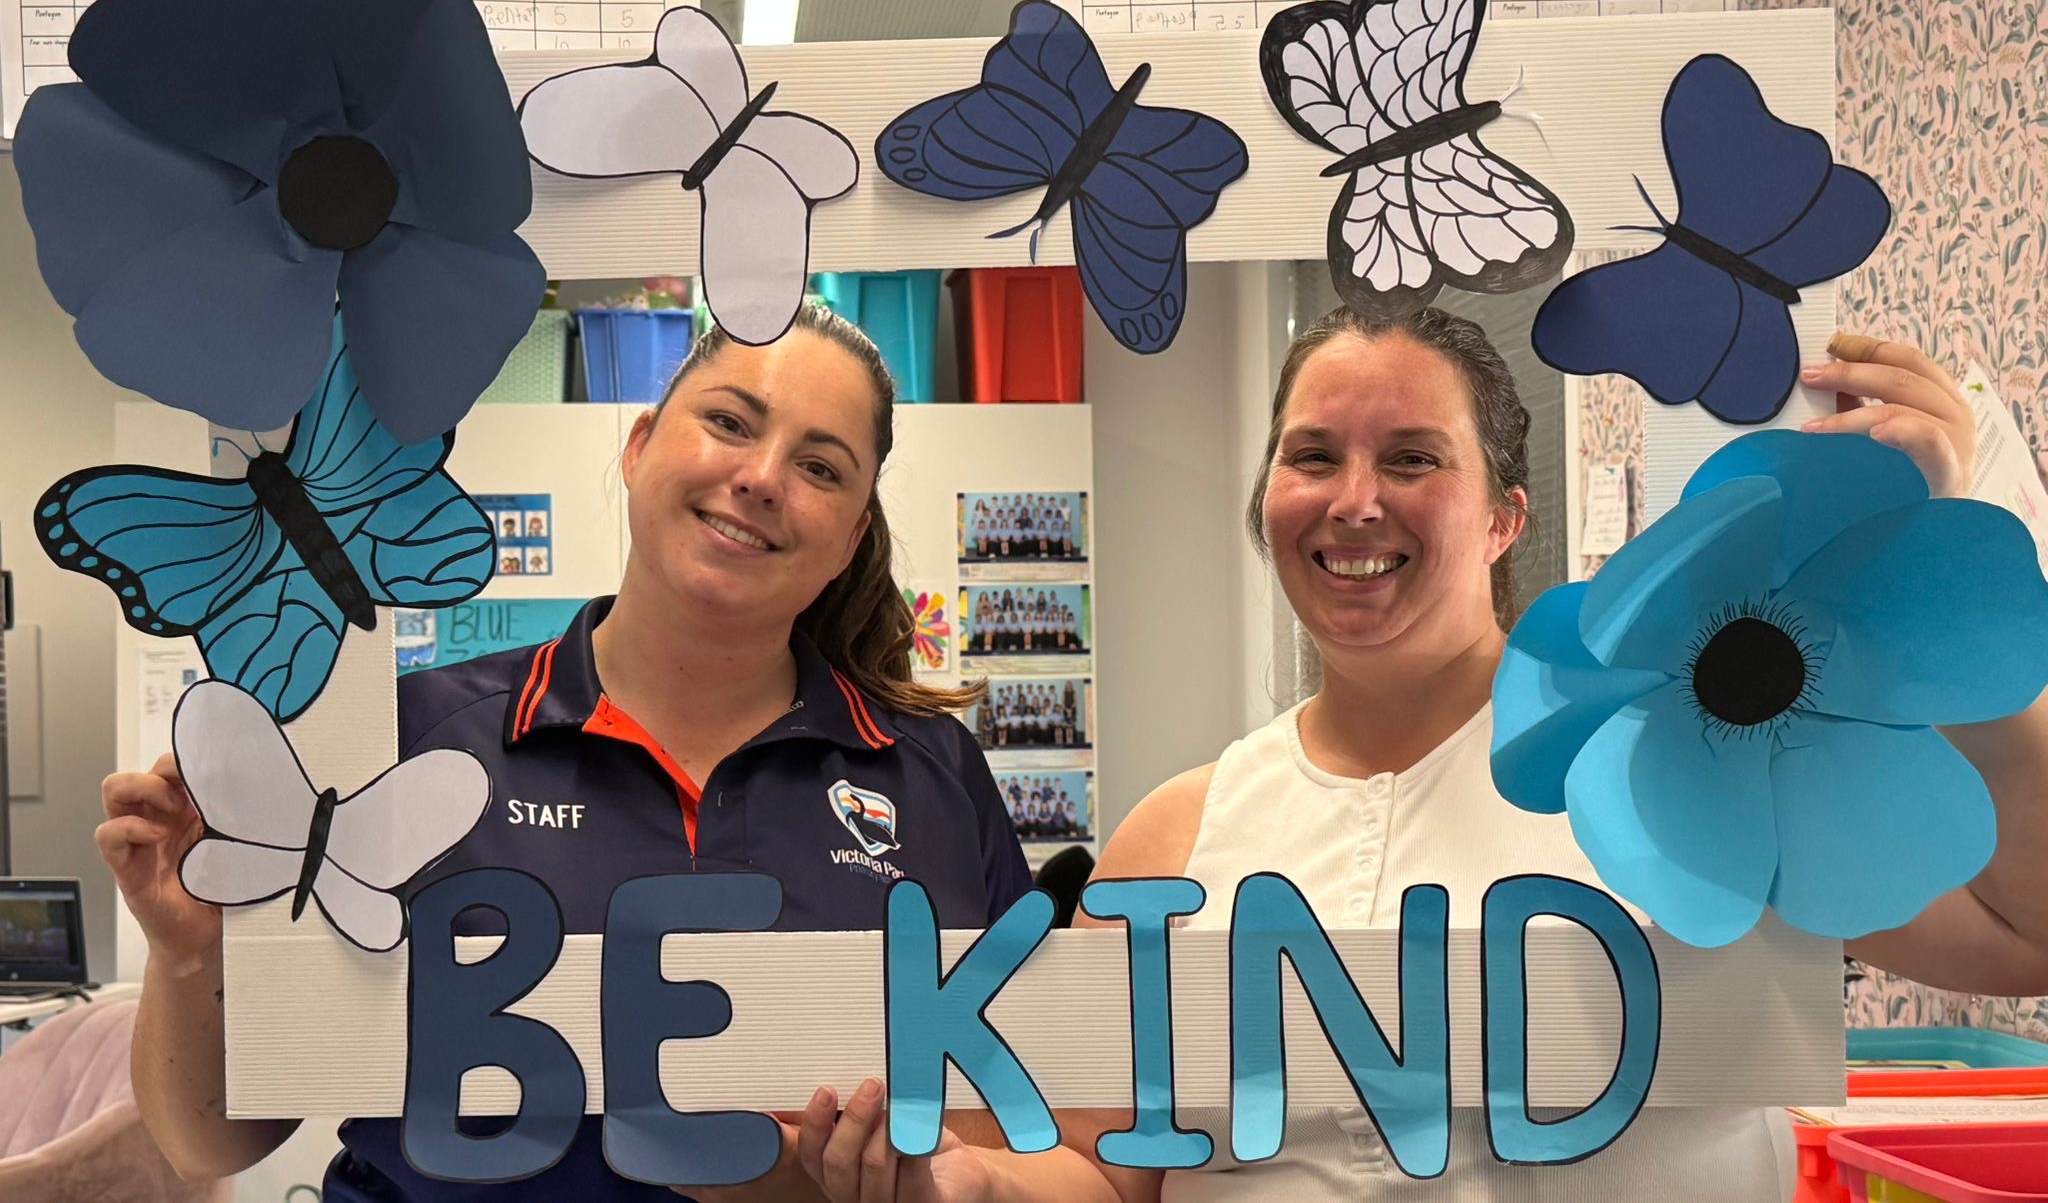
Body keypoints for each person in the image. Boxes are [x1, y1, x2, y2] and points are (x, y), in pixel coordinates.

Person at [96, 306, 1117, 1202]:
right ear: (638, 447)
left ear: (850, 536)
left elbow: (1007, 1132)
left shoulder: (930, 774)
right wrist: (191, 955)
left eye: (820, 467)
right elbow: (208, 1142)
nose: (761, 478)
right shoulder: (412, 743)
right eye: (730, 422)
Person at [1046, 309, 2048, 1201]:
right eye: (1311, 456)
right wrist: (974, 1181)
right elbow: (1101, 1170)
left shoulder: (1707, 758)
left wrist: (1929, 579)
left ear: (1503, 519)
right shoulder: (1173, 838)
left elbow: (2026, 934)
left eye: (1410, 459)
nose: (1353, 500)